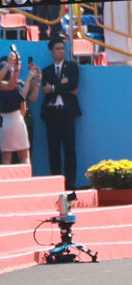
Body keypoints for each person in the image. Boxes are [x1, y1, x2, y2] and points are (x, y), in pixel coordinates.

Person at [41, 37, 82, 188]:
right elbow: (44, 90)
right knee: (53, 150)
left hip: (67, 113)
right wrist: (61, 86)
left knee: (69, 149)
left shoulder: (72, 67)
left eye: (63, 48)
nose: (61, 51)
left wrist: (53, 87)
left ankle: (70, 184)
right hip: (52, 113)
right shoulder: (47, 71)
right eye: (58, 49)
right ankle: (56, 184)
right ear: (51, 51)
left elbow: (73, 84)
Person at [0, 52, 39, 165]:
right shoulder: (16, 88)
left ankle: (5, 182)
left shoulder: (11, 87)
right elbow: (23, 108)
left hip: (4, 123)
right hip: (17, 121)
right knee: (24, 155)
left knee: (6, 157)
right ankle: (25, 181)